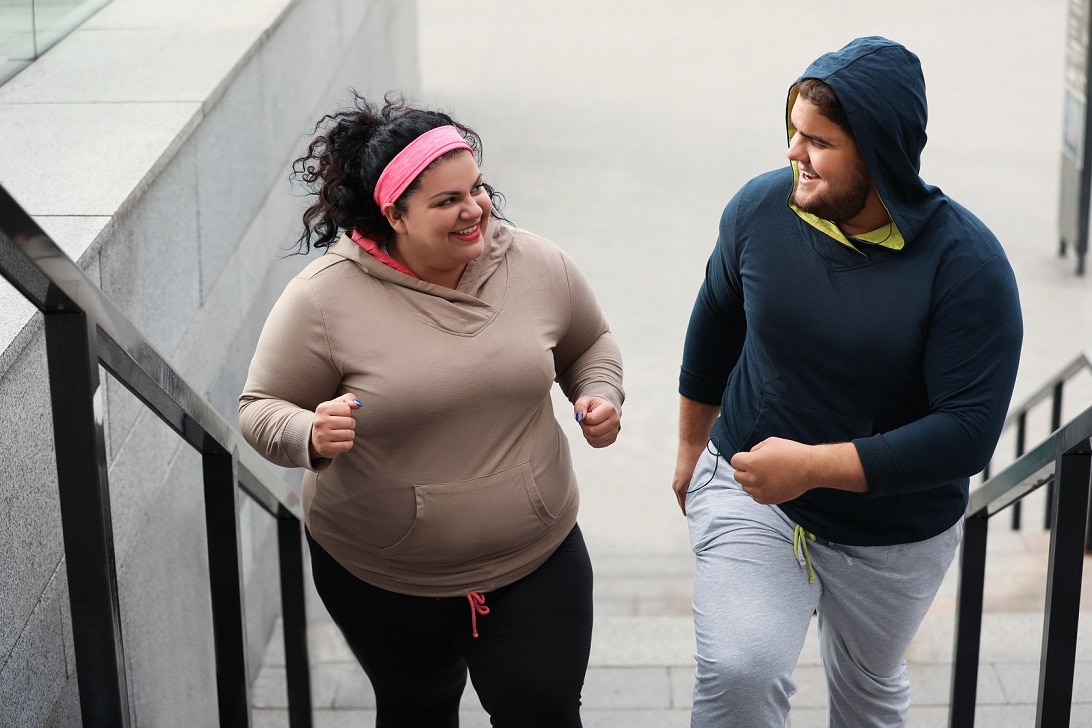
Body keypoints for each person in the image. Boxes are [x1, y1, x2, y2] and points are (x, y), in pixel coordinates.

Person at [239, 92, 623, 727]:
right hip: (381, 576)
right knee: (416, 711)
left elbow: (590, 343)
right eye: (447, 201)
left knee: (544, 711)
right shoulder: (322, 299)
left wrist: (599, 395)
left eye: (476, 188)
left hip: (535, 558)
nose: (475, 210)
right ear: (394, 214)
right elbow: (261, 409)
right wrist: (309, 431)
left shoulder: (535, 262)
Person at [671, 37, 1022, 727]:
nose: (795, 154)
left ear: (878, 151)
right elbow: (715, 317)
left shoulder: (968, 267)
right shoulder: (760, 210)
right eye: (794, 133)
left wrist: (811, 467)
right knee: (740, 668)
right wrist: (690, 448)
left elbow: (967, 433)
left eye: (819, 142)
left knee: (868, 688)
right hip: (755, 492)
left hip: (894, 530)